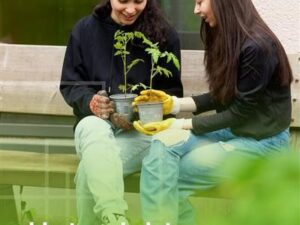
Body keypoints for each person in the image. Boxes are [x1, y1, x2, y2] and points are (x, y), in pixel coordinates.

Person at [133, 0, 293, 224]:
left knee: (166, 177)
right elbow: (224, 96)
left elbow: (239, 112)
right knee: (162, 143)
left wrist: (177, 123)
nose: (196, 10)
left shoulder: (258, 47)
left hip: (263, 144)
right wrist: (175, 105)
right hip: (236, 132)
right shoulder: (232, 39)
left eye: (200, 2)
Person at [59, 0, 183, 225]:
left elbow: (171, 94)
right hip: (94, 131)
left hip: (141, 134)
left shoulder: (164, 35)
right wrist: (92, 102)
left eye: (139, 1)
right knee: (91, 125)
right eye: (123, 1)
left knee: (90, 169)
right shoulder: (85, 31)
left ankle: (114, 218)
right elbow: (71, 84)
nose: (130, 9)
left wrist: (139, 111)